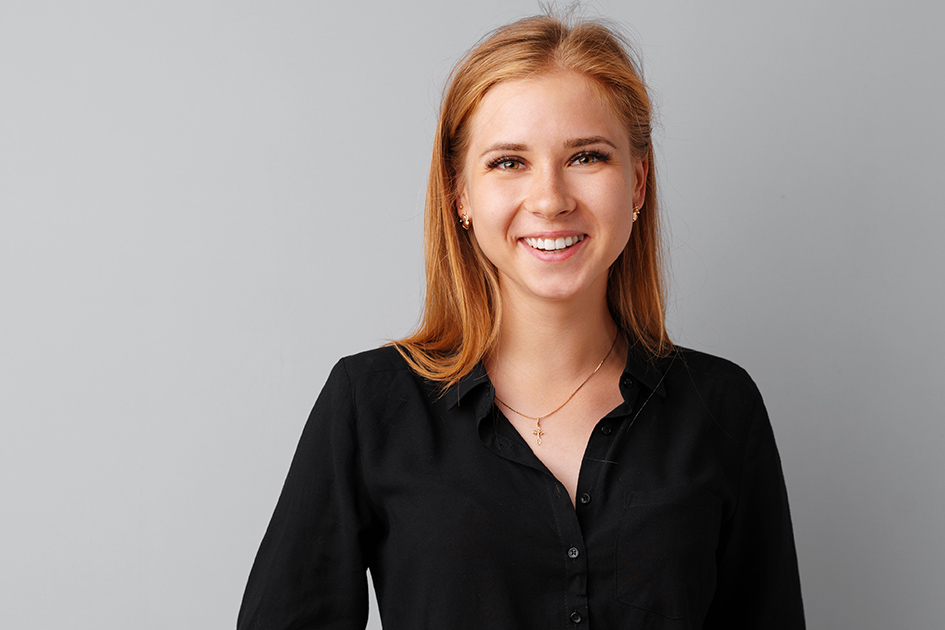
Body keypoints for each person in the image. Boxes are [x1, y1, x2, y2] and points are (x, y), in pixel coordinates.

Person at [237, 14, 805, 630]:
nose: (550, 198)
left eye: (587, 156)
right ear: (460, 194)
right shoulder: (370, 405)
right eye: (509, 162)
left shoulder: (722, 409)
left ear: (637, 182)